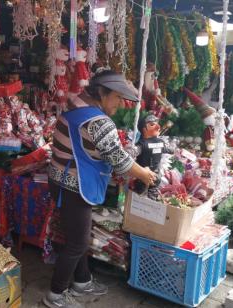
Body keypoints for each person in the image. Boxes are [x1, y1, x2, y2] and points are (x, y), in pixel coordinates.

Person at [44, 69, 157, 308]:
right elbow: (119, 160)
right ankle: (55, 294)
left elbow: (99, 148)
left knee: (78, 238)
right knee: (78, 242)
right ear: (102, 94)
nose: (120, 103)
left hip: (61, 179)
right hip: (75, 185)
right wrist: (144, 173)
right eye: (117, 97)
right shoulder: (98, 121)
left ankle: (82, 281)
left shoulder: (77, 103)